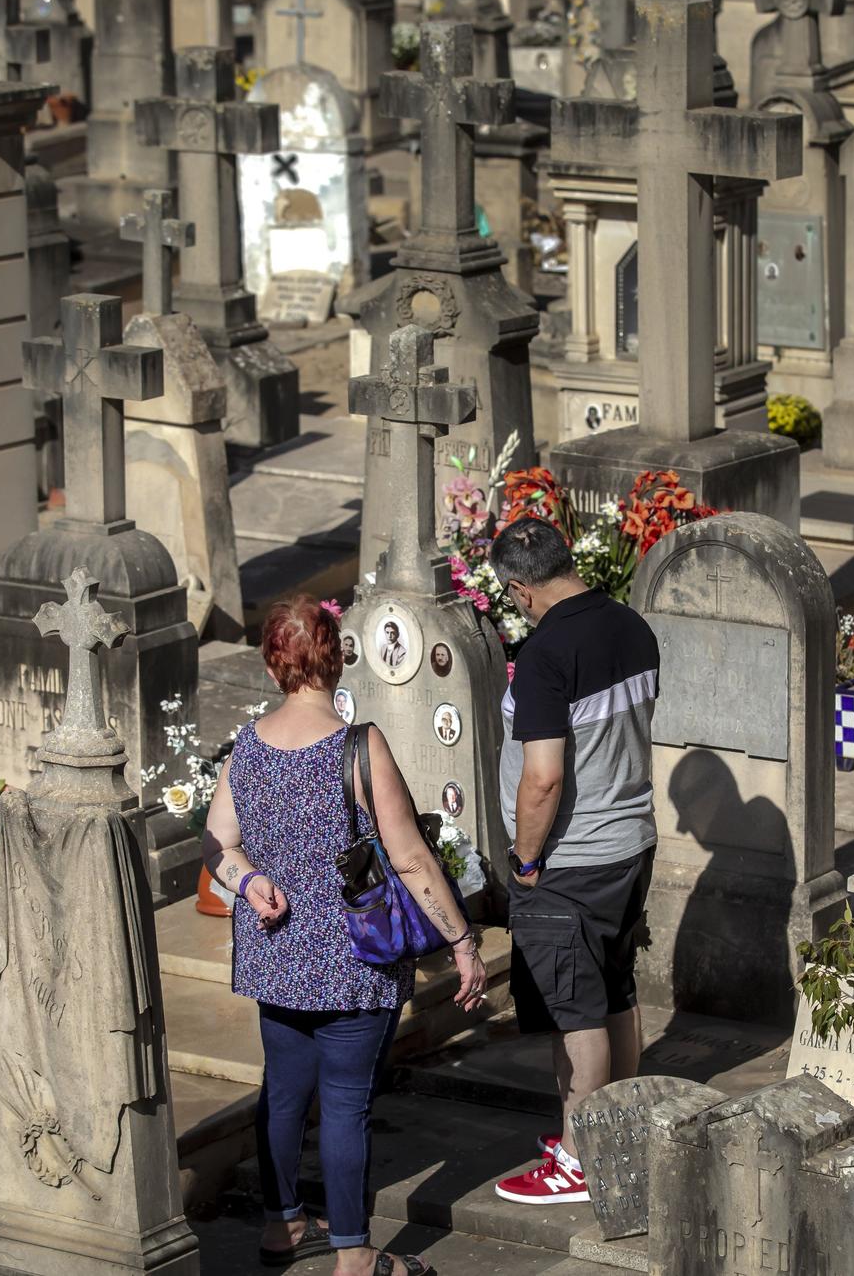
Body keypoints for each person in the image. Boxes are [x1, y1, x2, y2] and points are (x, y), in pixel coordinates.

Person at [204, 596, 486, 1273]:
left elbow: (215, 845)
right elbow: (413, 858)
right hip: (356, 962)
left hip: (276, 958)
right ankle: (356, 1258)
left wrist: (249, 884)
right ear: (335, 656)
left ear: (275, 663)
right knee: (345, 1106)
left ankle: (281, 1227)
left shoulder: (246, 745)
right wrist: (463, 942)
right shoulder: (358, 746)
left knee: (283, 1095)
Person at [486, 517, 660, 1206]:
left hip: (570, 861)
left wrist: (526, 861)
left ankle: (582, 1160)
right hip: (631, 843)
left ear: (522, 590)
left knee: (576, 1013)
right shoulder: (632, 627)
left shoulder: (544, 655)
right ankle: (618, 1134)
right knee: (616, 991)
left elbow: (544, 777)